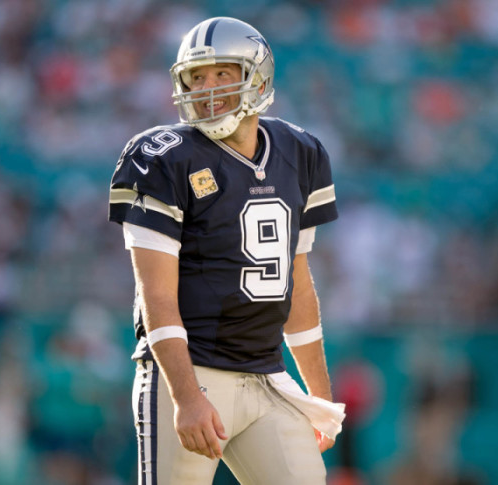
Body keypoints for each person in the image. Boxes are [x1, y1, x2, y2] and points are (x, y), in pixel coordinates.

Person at [108, 16, 345, 485]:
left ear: (257, 78)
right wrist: (186, 397)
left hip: (265, 374)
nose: (207, 87)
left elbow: (295, 286)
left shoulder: (301, 153)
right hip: (192, 371)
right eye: (196, 77)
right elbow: (155, 294)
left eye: (222, 73)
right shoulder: (162, 157)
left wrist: (318, 393)